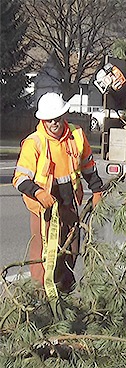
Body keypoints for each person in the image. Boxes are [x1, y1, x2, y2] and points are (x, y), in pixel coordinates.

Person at [12, 92, 104, 295]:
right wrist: (38, 193)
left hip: (69, 203)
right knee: (44, 254)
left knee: (72, 248)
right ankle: (42, 295)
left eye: (57, 118)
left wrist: (97, 189)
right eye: (49, 119)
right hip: (43, 209)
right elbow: (19, 179)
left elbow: (87, 165)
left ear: (64, 115)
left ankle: (65, 293)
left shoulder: (76, 135)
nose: (54, 123)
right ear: (43, 119)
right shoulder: (34, 142)